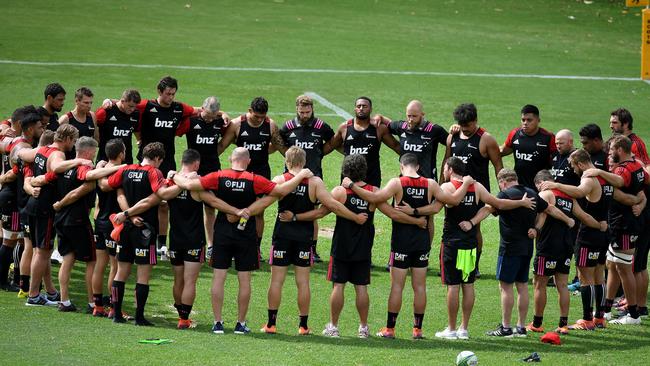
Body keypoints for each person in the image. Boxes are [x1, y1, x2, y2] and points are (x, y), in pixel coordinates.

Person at [172, 147, 313, 335]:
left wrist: (174, 176)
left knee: (219, 277)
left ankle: (218, 323)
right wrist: (300, 174)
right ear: (248, 161)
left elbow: (190, 186)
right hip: (246, 231)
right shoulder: (254, 179)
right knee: (244, 279)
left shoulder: (218, 176)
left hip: (222, 231)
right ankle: (240, 324)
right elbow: (279, 191)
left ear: (231, 159)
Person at [342, 153, 473, 339]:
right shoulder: (431, 184)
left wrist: (352, 185)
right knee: (419, 287)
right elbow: (449, 203)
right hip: (422, 242)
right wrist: (466, 184)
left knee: (397, 286)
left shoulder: (397, 183)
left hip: (401, 242)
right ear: (418, 167)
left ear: (402, 166)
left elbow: (376, 198)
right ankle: (417, 330)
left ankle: (390, 329)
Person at [261, 147, 369, 335]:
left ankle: (271, 324)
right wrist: (355, 217)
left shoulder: (280, 180)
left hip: (282, 236)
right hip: (305, 237)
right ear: (304, 162)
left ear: (287, 162)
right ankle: (303, 326)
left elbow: (263, 200)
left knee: (276, 281)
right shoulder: (315, 182)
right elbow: (333, 205)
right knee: (303, 282)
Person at [317, 154, 427, 338]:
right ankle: (363, 327)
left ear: (345, 170)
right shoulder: (373, 193)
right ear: (364, 170)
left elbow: (322, 210)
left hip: (341, 246)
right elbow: (393, 214)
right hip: (363, 246)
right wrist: (416, 222)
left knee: (338, 286)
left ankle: (333, 327)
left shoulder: (339, 191)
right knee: (361, 288)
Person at [434, 157, 535, 340]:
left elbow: (451, 202)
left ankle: (451, 329)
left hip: (452, 243)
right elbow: (497, 204)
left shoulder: (447, 187)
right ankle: (464, 329)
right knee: (469, 284)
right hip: (471, 244)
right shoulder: (477, 187)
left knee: (454, 286)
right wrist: (520, 203)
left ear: (448, 169)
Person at [467, 168, 574, 337]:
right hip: (527, 248)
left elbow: (488, 209)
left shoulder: (504, 195)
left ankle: (506, 327)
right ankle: (521, 327)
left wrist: (471, 223)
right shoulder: (531, 192)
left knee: (505, 287)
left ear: (502, 182)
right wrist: (567, 220)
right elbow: (549, 209)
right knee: (522, 286)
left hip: (509, 248)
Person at [32, 137, 123, 312]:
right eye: (94, 152)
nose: (95, 156)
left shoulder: (63, 167)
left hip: (60, 220)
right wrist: (119, 167)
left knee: (67, 259)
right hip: (78, 221)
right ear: (88, 152)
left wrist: (31, 183)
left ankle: (64, 301)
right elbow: (84, 183)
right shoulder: (83, 167)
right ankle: (92, 303)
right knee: (91, 261)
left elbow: (43, 178)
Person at [540, 149, 618, 329]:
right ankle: (600, 317)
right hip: (603, 232)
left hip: (589, 233)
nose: (573, 170)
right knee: (599, 276)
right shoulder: (605, 177)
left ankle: (587, 319)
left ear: (581, 164)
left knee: (585, 277)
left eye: (573, 166)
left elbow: (578, 192)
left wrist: (556, 185)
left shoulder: (589, 178)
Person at [133, 76, 201, 258]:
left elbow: (198, 111)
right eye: (168, 94)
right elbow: (125, 104)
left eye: (173, 94)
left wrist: (223, 115)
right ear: (159, 92)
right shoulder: (146, 106)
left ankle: (161, 244)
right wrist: (110, 102)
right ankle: (141, 239)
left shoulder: (178, 108)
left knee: (164, 204)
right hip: (146, 161)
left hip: (167, 162)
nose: (170, 97)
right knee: (144, 201)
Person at [583, 135, 648, 325]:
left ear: (620, 149)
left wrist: (598, 173)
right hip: (623, 223)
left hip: (625, 224)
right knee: (612, 264)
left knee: (624, 269)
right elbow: (640, 190)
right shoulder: (637, 165)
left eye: (611, 150)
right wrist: (641, 201)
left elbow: (619, 184)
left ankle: (633, 314)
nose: (608, 154)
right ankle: (606, 309)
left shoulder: (624, 169)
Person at [20, 124, 88, 306]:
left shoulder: (42, 149)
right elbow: (57, 167)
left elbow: (21, 155)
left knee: (41, 251)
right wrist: (79, 161)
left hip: (34, 204)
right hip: (45, 207)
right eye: (73, 141)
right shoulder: (58, 154)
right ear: (66, 139)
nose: (73, 145)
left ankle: (50, 292)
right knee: (42, 253)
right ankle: (33, 295)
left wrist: (32, 180)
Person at [529, 170, 604, 334]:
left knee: (539, 284)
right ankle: (563, 324)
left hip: (547, 246)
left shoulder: (545, 194)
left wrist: (534, 229)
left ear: (540, 182)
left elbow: (542, 217)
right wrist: (600, 226)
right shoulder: (569, 198)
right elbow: (584, 216)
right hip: (566, 246)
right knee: (562, 285)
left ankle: (537, 323)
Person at [106, 142, 169, 326]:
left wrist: (127, 216)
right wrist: (130, 215)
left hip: (126, 228)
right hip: (145, 229)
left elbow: (115, 189)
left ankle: (116, 314)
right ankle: (139, 317)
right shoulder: (154, 172)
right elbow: (154, 199)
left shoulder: (126, 170)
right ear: (157, 158)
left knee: (121, 272)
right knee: (143, 275)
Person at [443, 102, 504, 277]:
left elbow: (498, 166)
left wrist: (502, 191)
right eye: (462, 125)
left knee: (473, 228)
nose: (465, 129)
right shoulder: (452, 137)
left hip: (476, 193)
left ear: (475, 120)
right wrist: (441, 186)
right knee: (451, 226)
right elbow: (446, 163)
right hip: (453, 191)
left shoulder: (486, 139)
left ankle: (474, 264)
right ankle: (453, 261)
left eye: (468, 125)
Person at [274, 95, 337, 263]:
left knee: (313, 212)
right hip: (290, 176)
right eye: (301, 112)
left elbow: (333, 141)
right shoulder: (288, 126)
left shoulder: (321, 126)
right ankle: (283, 245)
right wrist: (288, 155)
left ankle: (312, 249)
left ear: (312, 109)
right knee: (286, 207)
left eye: (307, 112)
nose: (304, 115)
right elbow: (279, 141)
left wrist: (320, 153)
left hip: (313, 176)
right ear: (296, 109)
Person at [218, 97, 278, 260]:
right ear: (249, 111)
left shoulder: (270, 125)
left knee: (258, 213)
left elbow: (278, 146)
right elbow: (222, 146)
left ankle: (255, 249)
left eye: (262, 116)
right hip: (240, 176)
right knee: (236, 211)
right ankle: (235, 246)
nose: (259, 120)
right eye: (256, 116)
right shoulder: (237, 124)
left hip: (261, 175)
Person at [609, 108, 650, 319]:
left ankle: (637, 308)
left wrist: (641, 203)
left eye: (615, 123)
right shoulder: (626, 155)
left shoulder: (635, 145)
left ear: (625, 124)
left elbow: (645, 172)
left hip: (637, 216)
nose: (611, 126)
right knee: (629, 264)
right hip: (636, 212)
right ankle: (628, 303)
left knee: (636, 264)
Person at [2, 112, 45, 297]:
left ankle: (18, 279)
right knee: (9, 241)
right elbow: (14, 169)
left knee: (19, 240)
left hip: (13, 197)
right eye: (39, 127)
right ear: (29, 128)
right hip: (12, 199)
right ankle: (3, 280)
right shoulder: (22, 146)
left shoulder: (14, 141)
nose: (42, 129)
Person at [179, 96, 226, 260]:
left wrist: (222, 115)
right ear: (202, 109)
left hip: (212, 170)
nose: (209, 119)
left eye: (213, 116)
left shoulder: (219, 122)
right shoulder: (191, 121)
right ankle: (191, 242)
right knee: (190, 207)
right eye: (207, 115)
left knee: (210, 207)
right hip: (192, 170)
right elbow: (176, 129)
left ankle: (211, 245)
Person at [330, 96, 400, 187]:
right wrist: (346, 152)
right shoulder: (344, 128)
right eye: (359, 106)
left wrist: (415, 157)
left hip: (372, 178)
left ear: (371, 109)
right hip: (348, 178)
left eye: (364, 106)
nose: (361, 109)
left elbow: (395, 146)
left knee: (372, 201)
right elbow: (331, 145)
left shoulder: (379, 129)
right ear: (355, 109)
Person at [92, 139, 127, 317]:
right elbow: (115, 193)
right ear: (121, 153)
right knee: (115, 266)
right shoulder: (120, 173)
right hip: (115, 223)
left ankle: (98, 306)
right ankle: (114, 308)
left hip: (100, 221)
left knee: (100, 264)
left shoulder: (101, 170)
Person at [500, 105, 556, 189]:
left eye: (529, 120)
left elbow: (558, 160)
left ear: (538, 120)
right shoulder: (515, 134)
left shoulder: (548, 138)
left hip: (540, 186)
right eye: (523, 120)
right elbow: (502, 151)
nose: (525, 123)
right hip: (519, 185)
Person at [95, 89, 141, 164]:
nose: (132, 109)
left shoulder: (136, 114)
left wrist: (139, 141)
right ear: (122, 101)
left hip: (126, 160)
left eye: (134, 107)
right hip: (105, 160)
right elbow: (92, 124)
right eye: (130, 106)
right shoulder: (106, 111)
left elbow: (136, 130)